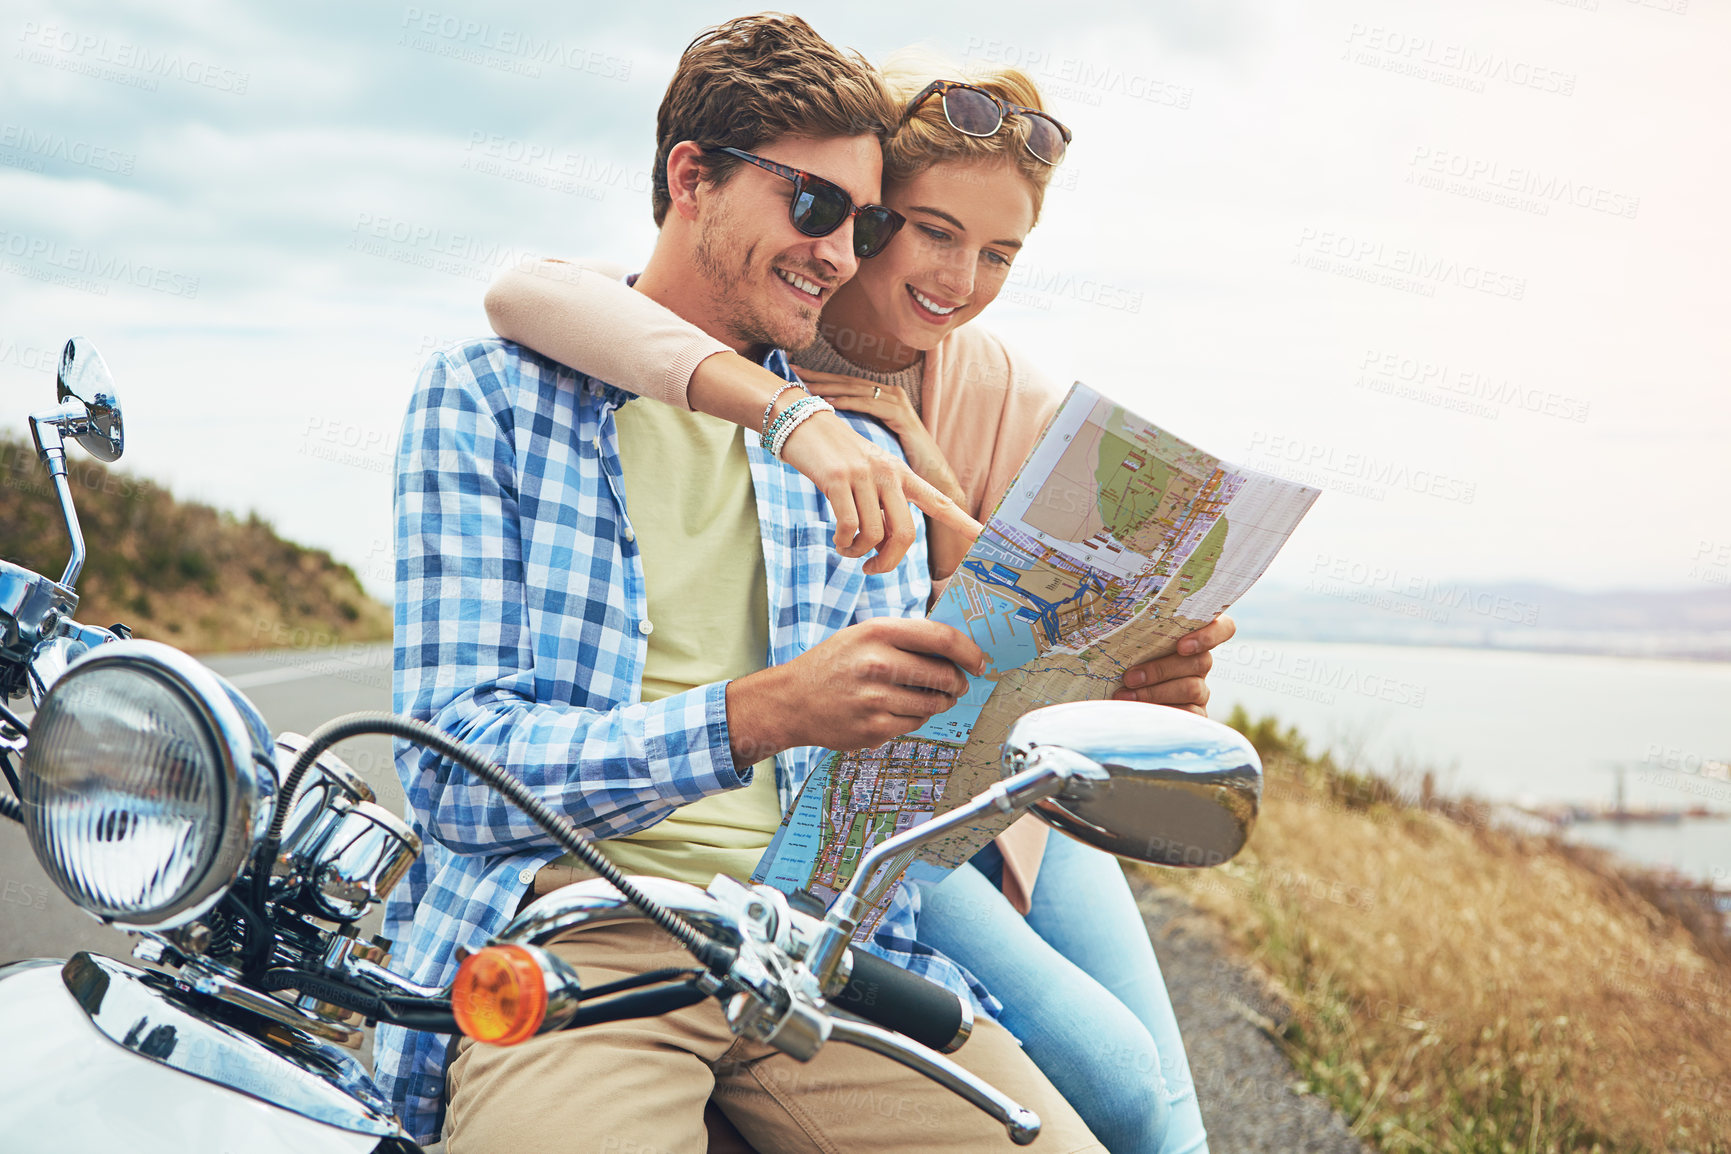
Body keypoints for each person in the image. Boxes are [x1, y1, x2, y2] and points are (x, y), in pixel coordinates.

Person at [377, 14, 1109, 1152]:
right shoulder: (492, 397)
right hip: (594, 927)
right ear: (691, 177)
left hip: (823, 955)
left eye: (862, 224)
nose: (836, 252)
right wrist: (762, 713)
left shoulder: (877, 446)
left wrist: (1097, 679)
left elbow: (901, 783)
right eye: (809, 206)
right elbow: (454, 780)